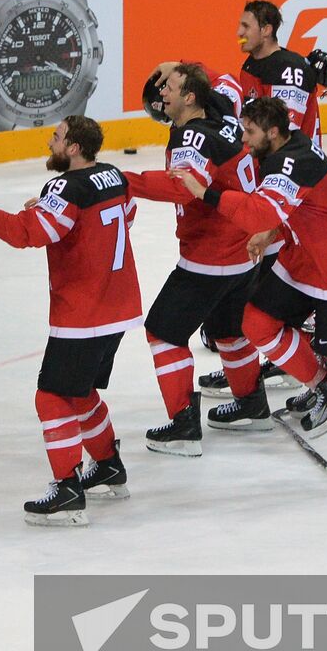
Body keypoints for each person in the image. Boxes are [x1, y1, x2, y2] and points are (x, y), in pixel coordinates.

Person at [172, 97, 327, 477]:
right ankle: (325, 387)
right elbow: (295, 205)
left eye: (250, 132)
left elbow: (259, 210)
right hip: (308, 254)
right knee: (257, 321)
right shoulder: (285, 147)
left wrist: (206, 193)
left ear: (272, 132)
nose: (244, 140)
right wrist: (272, 230)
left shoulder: (290, 160)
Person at [0, 116, 141, 527]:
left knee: (51, 396)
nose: (50, 141)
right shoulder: (113, 176)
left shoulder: (64, 186)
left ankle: (67, 491)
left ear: (73, 148)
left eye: (57, 137)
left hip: (83, 312)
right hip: (119, 306)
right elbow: (123, 219)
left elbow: (28, 233)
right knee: (80, 390)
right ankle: (108, 465)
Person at [125, 64, 264, 457]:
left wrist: (126, 180)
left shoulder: (193, 136)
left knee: (163, 331)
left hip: (210, 256)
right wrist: (180, 64)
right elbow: (223, 83)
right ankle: (253, 403)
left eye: (169, 86)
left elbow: (181, 188)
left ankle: (184, 424)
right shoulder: (220, 112)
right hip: (242, 251)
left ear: (190, 98)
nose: (159, 93)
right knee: (226, 327)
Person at [236, 0, 324, 148]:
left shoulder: (289, 70)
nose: (239, 32)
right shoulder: (250, 65)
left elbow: (285, 135)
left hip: (296, 162)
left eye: (246, 26)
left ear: (266, 30)